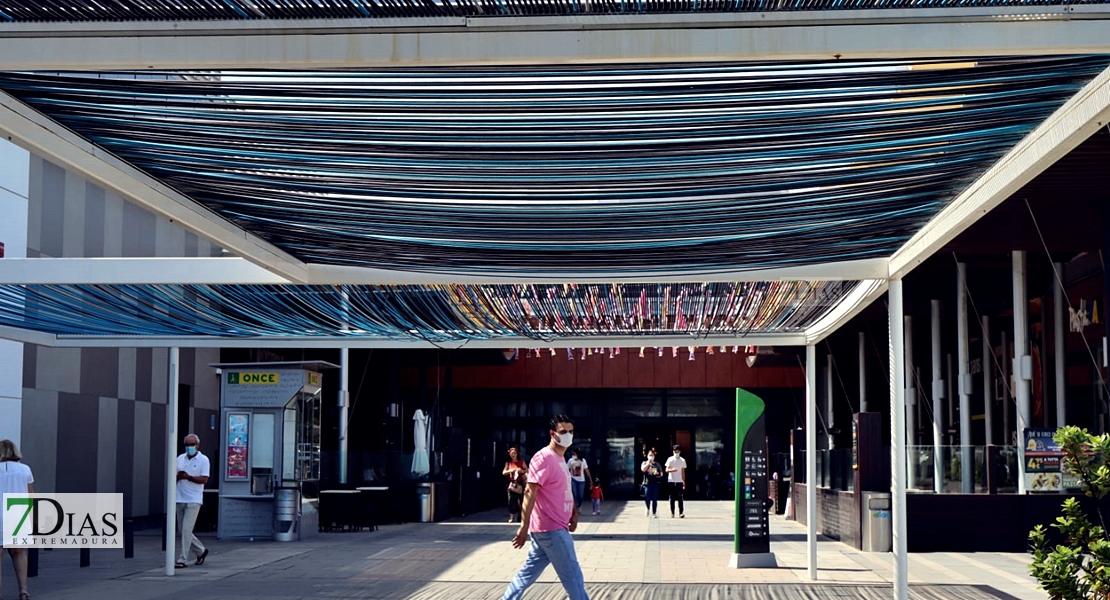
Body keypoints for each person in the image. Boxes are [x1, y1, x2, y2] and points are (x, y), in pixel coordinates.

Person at [502, 415, 589, 600]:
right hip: (552, 529)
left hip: (551, 528)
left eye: (571, 432)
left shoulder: (560, 458)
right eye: (563, 432)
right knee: (573, 576)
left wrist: (573, 513)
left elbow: (564, 489)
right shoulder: (543, 458)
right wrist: (523, 527)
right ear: (552, 434)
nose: (568, 435)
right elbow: (529, 493)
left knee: (528, 573)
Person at [0, 439, 33, 600]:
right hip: (17, 516)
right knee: (18, 553)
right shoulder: (25, 469)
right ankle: (23, 590)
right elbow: (30, 497)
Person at [174, 433, 210, 569]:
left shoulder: (203, 460)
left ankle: (182, 558)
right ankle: (201, 551)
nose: (189, 447)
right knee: (182, 530)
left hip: (194, 499)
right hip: (179, 497)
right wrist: (178, 476)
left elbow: (205, 479)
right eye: (187, 445)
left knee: (186, 529)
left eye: (192, 444)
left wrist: (189, 478)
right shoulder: (180, 459)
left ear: (197, 445)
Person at [503, 445, 527, 523]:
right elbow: (504, 472)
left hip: (519, 483)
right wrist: (511, 470)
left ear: (517, 454)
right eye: (512, 453)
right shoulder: (508, 463)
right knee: (511, 500)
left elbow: (527, 470)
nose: (513, 455)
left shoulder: (521, 462)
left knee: (520, 501)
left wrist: (521, 471)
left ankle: (520, 516)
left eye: (515, 453)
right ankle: (512, 516)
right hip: (511, 483)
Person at [640, 448, 665, 518]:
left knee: (654, 498)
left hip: (655, 483)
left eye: (652, 455)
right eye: (650, 455)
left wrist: (657, 473)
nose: (651, 457)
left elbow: (661, 473)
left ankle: (654, 512)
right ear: (647, 456)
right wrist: (648, 464)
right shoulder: (644, 463)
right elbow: (643, 469)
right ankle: (647, 507)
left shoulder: (657, 464)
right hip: (647, 483)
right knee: (647, 497)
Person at [665, 444, 687, 518]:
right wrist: (672, 470)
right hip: (671, 480)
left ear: (680, 451)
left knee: (680, 497)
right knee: (672, 497)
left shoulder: (682, 460)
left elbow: (683, 472)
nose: (676, 453)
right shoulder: (670, 459)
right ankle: (672, 512)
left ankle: (681, 512)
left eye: (677, 451)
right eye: (674, 451)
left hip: (679, 481)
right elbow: (666, 469)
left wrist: (684, 481)